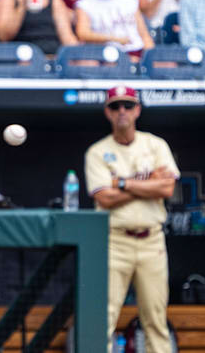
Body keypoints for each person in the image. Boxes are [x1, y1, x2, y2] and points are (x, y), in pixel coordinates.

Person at [84, 85, 179, 353]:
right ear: (107, 112)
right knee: (104, 317)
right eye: (115, 106)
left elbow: (167, 188)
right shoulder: (97, 151)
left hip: (151, 241)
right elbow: (105, 198)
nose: (122, 111)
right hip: (115, 241)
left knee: (155, 319)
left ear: (137, 109)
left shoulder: (155, 144)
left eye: (127, 105)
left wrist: (123, 183)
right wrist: (148, 183)